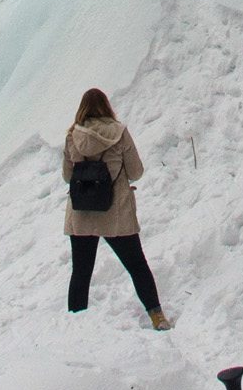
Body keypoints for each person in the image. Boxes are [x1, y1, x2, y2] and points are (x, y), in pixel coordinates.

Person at [62, 87, 171, 328]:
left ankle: (75, 326)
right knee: (137, 265)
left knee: (81, 272)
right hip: (116, 212)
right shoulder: (119, 133)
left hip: (82, 213)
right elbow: (136, 171)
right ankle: (157, 317)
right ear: (106, 106)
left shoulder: (73, 136)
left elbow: (67, 175)